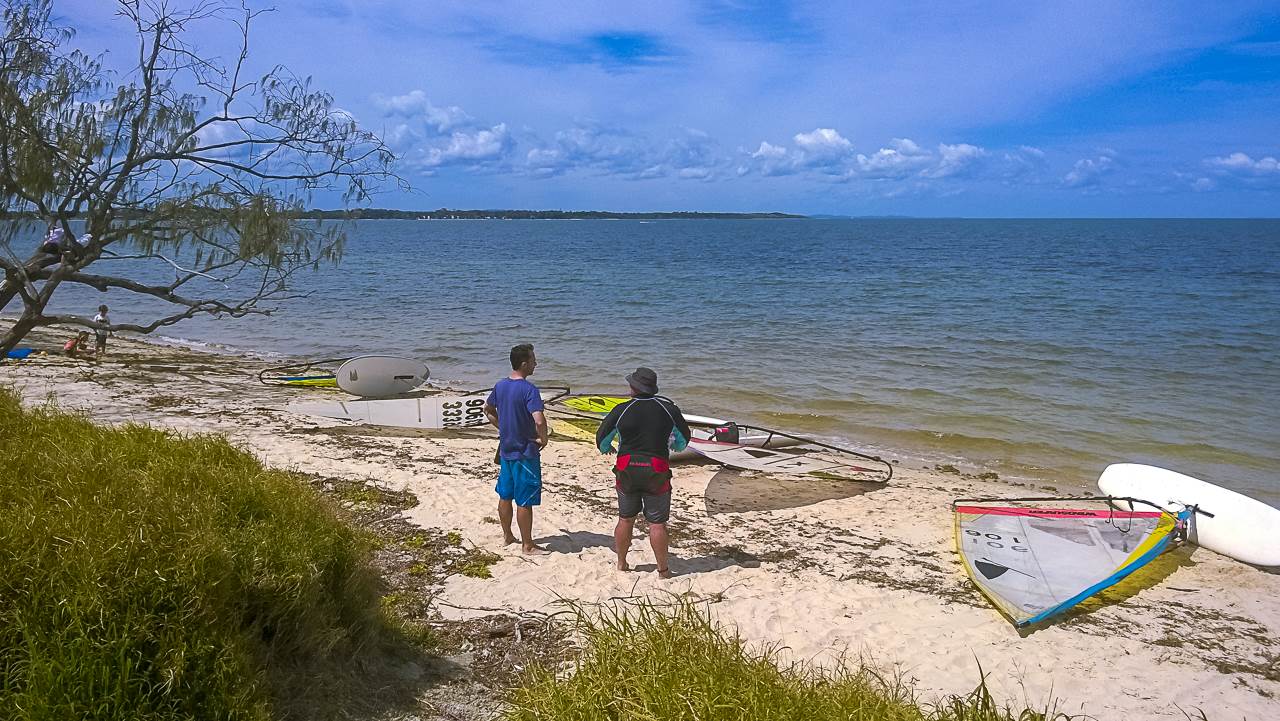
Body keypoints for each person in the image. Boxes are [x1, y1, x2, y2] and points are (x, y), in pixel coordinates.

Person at [595, 366, 692, 579]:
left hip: (627, 469)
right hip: (656, 471)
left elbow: (601, 437)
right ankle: (663, 570)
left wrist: (607, 448)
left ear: (633, 387)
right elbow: (684, 439)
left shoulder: (621, 409)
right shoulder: (669, 409)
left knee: (625, 519)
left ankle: (622, 562)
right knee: (657, 524)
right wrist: (674, 447)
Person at [483, 343, 549, 555]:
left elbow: (487, 409)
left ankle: (507, 535)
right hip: (524, 451)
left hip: (506, 449)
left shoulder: (500, 385)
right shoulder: (529, 390)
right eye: (533, 360)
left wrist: (503, 426)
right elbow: (539, 420)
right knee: (524, 500)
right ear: (524, 364)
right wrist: (543, 439)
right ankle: (527, 545)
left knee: (505, 495)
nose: (536, 364)